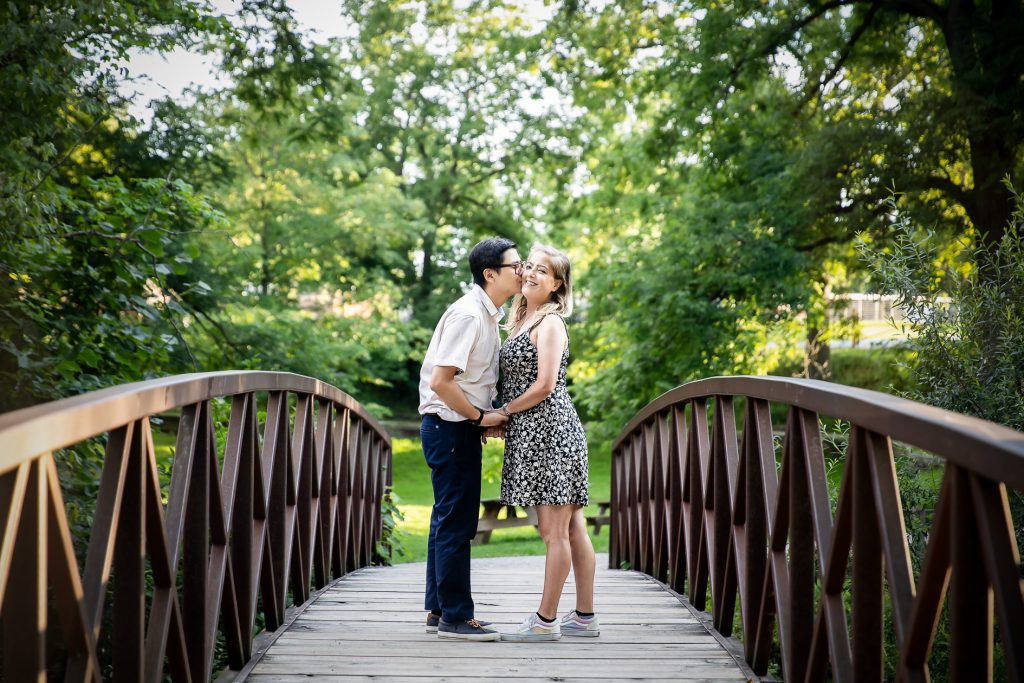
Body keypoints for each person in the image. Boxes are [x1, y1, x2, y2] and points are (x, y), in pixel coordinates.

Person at [418, 237, 522, 642]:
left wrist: (482, 414)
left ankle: (439, 610)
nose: (523, 270)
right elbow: (442, 382)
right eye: (516, 264)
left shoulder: (486, 315)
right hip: (449, 427)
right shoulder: (469, 315)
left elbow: (469, 380)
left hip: (454, 427)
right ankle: (457, 619)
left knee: (446, 519)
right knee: (458, 524)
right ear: (490, 273)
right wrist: (479, 416)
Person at [496, 245, 598, 642]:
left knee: (554, 532)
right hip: (535, 432)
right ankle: (585, 619)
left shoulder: (550, 323)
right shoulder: (523, 320)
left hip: (552, 432)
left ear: (557, 285)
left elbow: (544, 385)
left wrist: (503, 412)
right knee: (571, 528)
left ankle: (545, 622)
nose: (533, 274)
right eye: (530, 267)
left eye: (544, 271)